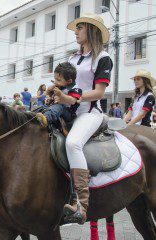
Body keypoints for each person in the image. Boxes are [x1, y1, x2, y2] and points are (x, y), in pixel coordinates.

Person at [60, 13, 113, 224]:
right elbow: (64, 84)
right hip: (67, 110)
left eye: (80, 27)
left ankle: (81, 204)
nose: (76, 31)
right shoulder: (72, 58)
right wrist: (54, 91)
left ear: (91, 30)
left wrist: (72, 98)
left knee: (73, 144)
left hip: (89, 113)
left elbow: (99, 92)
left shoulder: (103, 57)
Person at [36, 62, 82, 128]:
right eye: (55, 79)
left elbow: (73, 101)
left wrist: (61, 95)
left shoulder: (75, 88)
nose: (55, 81)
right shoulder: (59, 86)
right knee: (43, 107)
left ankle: (46, 119)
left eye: (58, 80)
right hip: (54, 108)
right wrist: (49, 94)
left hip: (68, 114)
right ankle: (32, 115)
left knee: (60, 107)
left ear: (69, 81)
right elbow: (46, 94)